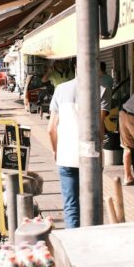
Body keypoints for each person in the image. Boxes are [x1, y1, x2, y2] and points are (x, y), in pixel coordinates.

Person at [47, 73, 110, 228]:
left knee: (71, 206)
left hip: (66, 155)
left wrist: (55, 150)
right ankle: (90, 240)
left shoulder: (60, 89)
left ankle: (73, 244)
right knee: (92, 205)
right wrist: (101, 152)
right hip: (91, 155)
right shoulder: (102, 90)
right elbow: (99, 128)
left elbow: (51, 129)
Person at [99, 62, 114, 133]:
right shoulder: (110, 78)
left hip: (102, 105)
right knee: (101, 122)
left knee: (100, 123)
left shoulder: (100, 79)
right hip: (107, 104)